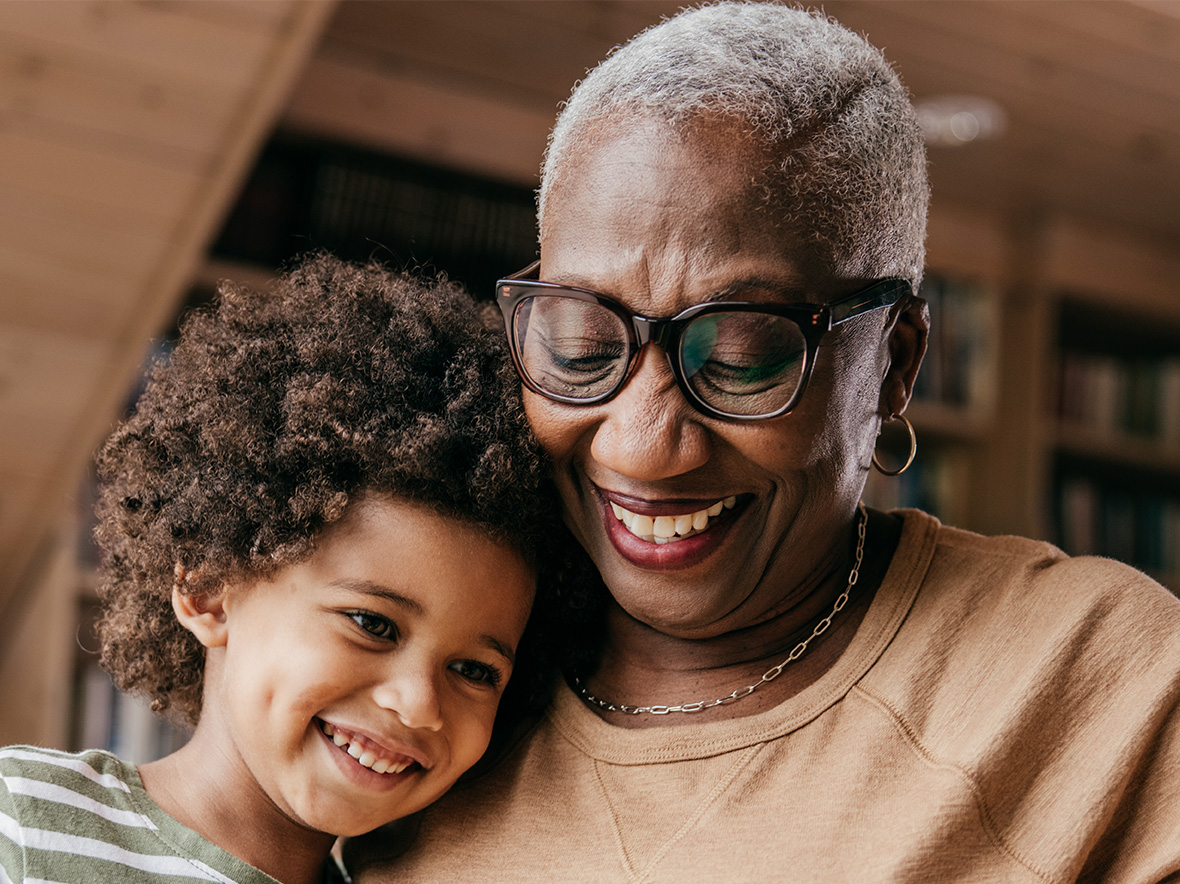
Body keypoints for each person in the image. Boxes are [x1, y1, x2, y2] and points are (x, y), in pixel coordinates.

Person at [349, 3, 1180, 882]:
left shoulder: (1103, 683)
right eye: (583, 346)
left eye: (742, 356)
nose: (640, 447)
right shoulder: (425, 699)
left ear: (894, 364)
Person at [0, 255, 555, 884]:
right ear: (209, 587)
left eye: (475, 670)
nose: (419, 703)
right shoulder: (21, 822)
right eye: (372, 623)